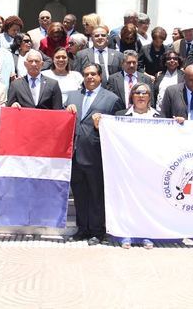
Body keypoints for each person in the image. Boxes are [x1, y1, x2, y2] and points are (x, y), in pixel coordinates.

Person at [66, 64, 124, 245]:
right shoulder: (73, 96)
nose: (89, 77)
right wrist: (66, 111)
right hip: (75, 154)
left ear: (100, 76)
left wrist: (103, 124)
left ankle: (97, 231)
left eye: (93, 74)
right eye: (86, 74)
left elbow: (118, 126)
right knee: (80, 194)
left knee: (96, 195)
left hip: (98, 155)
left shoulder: (112, 99)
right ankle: (82, 228)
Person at [114, 82, 160, 249]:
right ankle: (127, 234)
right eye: (137, 93)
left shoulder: (160, 118)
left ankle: (146, 234)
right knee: (127, 201)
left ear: (150, 97)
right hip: (126, 168)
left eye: (145, 93)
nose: (141, 96)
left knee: (147, 202)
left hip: (149, 169)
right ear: (131, 96)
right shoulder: (120, 115)